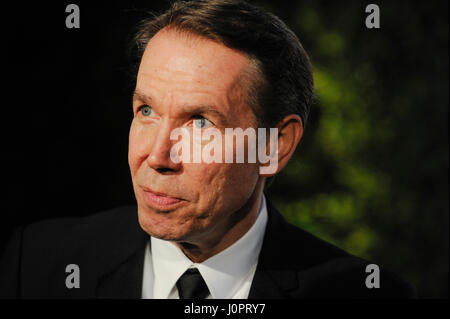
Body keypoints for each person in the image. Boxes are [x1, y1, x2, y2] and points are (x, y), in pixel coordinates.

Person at [0, 0, 414, 299]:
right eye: (146, 110)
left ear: (274, 146)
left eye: (200, 123)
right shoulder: (38, 263)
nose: (158, 156)